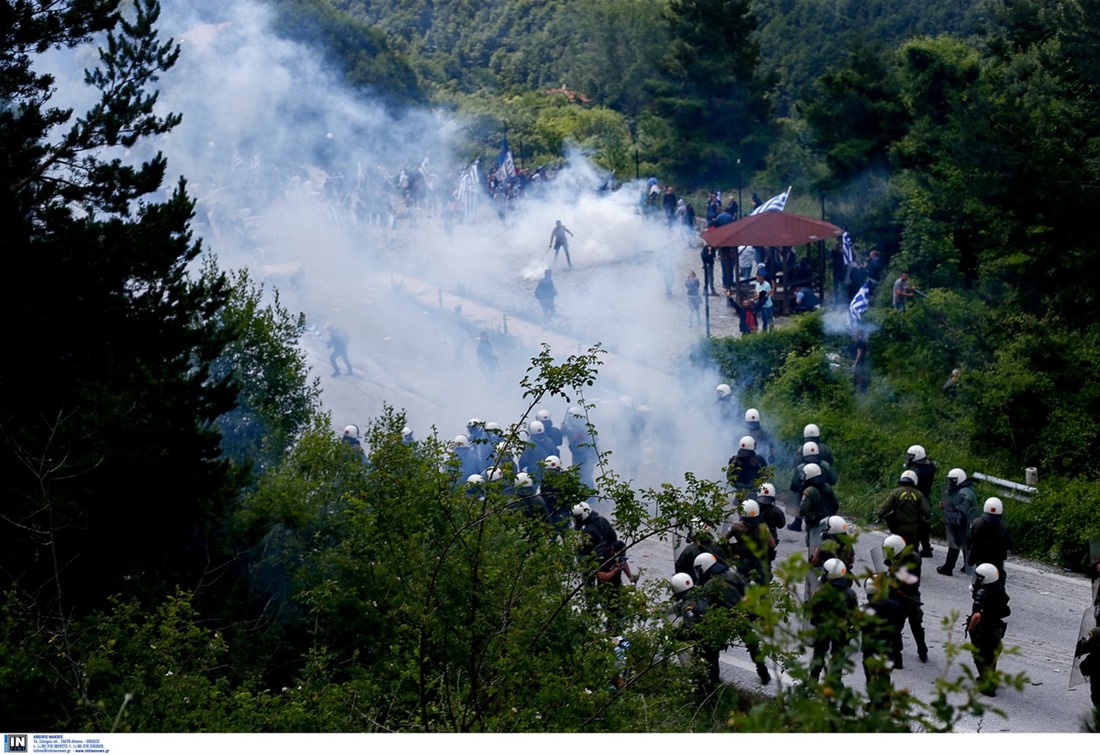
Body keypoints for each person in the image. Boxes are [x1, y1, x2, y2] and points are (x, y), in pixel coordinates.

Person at [693, 552, 772, 684]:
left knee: (712, 652)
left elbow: (704, 608)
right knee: (753, 645)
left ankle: (714, 682)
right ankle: (764, 674)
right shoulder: (733, 574)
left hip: (724, 621)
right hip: (742, 616)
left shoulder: (709, 585)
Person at [667, 572, 720, 696]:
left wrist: (679, 635)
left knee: (702, 670)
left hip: (704, 642)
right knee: (713, 668)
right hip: (714, 637)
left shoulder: (687, 607)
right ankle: (714, 695)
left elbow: (693, 629)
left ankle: (704, 697)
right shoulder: (699, 597)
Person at [807, 558, 859, 684]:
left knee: (818, 654)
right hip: (842, 630)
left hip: (823, 629)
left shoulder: (820, 592)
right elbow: (855, 615)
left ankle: (812, 681)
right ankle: (835, 684)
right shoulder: (851, 593)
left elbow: (811, 611)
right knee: (838, 656)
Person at [883, 534, 928, 665]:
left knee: (895, 627)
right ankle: (922, 651)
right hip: (914, 596)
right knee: (916, 625)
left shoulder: (902, 565)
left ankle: (897, 659)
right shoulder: (913, 556)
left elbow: (894, 581)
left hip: (901, 599)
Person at [967, 563, 1011, 695]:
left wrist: (971, 629)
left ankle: (987, 686)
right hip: (996, 628)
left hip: (984, 630)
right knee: (992, 655)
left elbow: (976, 616)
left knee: (980, 656)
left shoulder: (983, 594)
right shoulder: (999, 589)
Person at [937, 468, 979, 576]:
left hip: (963, 523)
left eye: (952, 480)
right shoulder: (966, 490)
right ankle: (967, 566)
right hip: (968, 523)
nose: (950, 483)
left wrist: (947, 506)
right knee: (965, 544)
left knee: (955, 544)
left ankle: (948, 567)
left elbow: (961, 511)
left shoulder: (963, 494)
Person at [726, 500, 776, 585]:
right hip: (759, 559)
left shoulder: (736, 526)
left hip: (743, 558)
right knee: (762, 582)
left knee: (742, 582)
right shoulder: (763, 528)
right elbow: (772, 545)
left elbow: (724, 540)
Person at [878, 470, 931, 549]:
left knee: (893, 547)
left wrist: (879, 514)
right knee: (914, 548)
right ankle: (926, 549)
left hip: (898, 528)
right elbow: (927, 511)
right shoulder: (918, 494)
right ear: (915, 480)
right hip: (914, 529)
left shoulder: (895, 492)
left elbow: (884, 508)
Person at [798, 463, 841, 555]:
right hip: (830, 523)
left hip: (815, 526)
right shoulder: (827, 487)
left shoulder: (809, 491)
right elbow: (836, 505)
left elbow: (802, 510)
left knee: (814, 552)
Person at [904, 444, 937, 557]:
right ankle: (927, 548)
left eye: (911, 456)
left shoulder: (918, 472)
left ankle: (915, 548)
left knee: (915, 524)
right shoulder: (930, 466)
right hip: (925, 497)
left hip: (916, 499)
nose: (909, 458)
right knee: (924, 525)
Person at [967, 497, 1014, 578]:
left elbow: (969, 540)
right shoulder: (1004, 527)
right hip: (997, 559)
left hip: (979, 557)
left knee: (978, 578)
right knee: (1000, 578)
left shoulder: (976, 523)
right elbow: (1010, 544)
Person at [596, 539, 636, 631]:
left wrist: (631, 578)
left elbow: (624, 563)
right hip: (605, 591)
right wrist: (615, 570)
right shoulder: (603, 558)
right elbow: (603, 578)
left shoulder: (619, 556)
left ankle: (616, 631)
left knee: (620, 612)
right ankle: (611, 632)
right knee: (612, 613)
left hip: (617, 587)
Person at [851, 328, 870, 392]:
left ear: (858, 333)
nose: (853, 334)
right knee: (858, 379)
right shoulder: (861, 341)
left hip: (859, 364)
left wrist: (855, 365)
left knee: (859, 379)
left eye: (854, 333)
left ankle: (862, 395)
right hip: (860, 364)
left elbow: (859, 354)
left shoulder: (859, 342)